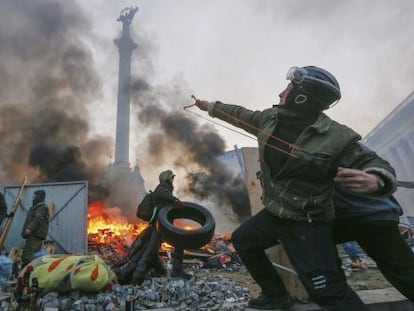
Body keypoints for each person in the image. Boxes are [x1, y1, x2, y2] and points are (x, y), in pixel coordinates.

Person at [194, 65, 397, 310]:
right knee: (244, 240)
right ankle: (276, 296)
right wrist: (211, 107)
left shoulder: (336, 136)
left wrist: (376, 179)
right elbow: (239, 114)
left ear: (302, 98)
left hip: (307, 221)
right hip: (277, 211)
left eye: (288, 88)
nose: (281, 93)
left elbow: (373, 162)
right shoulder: (270, 119)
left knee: (328, 291)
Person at [333, 168, 414, 302]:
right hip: (372, 211)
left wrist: (378, 178)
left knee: (405, 273)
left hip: (370, 212)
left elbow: (373, 161)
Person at [131, 170, 190, 284]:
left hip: (160, 225)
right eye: (171, 177)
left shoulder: (165, 188)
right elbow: (161, 194)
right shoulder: (163, 188)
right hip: (161, 226)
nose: (173, 179)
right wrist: (174, 200)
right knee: (178, 242)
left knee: (152, 250)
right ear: (167, 179)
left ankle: (159, 271)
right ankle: (175, 271)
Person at [21, 190, 49, 267]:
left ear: (39, 196)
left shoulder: (41, 207)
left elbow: (37, 219)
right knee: (28, 254)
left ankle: (26, 275)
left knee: (28, 256)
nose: (33, 197)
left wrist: (30, 228)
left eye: (35, 196)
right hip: (34, 235)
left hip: (35, 235)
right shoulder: (37, 207)